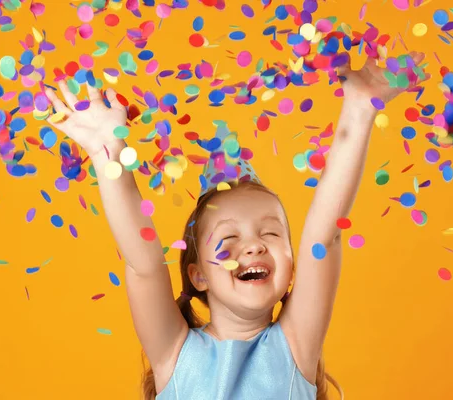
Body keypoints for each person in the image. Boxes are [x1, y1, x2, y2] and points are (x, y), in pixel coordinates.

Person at [44, 50, 428, 400]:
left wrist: (360, 110)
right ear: (198, 275)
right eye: (229, 237)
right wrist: (107, 154)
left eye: (271, 233)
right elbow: (144, 266)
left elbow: (322, 238)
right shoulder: (174, 354)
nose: (254, 246)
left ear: (294, 265)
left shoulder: (294, 346)